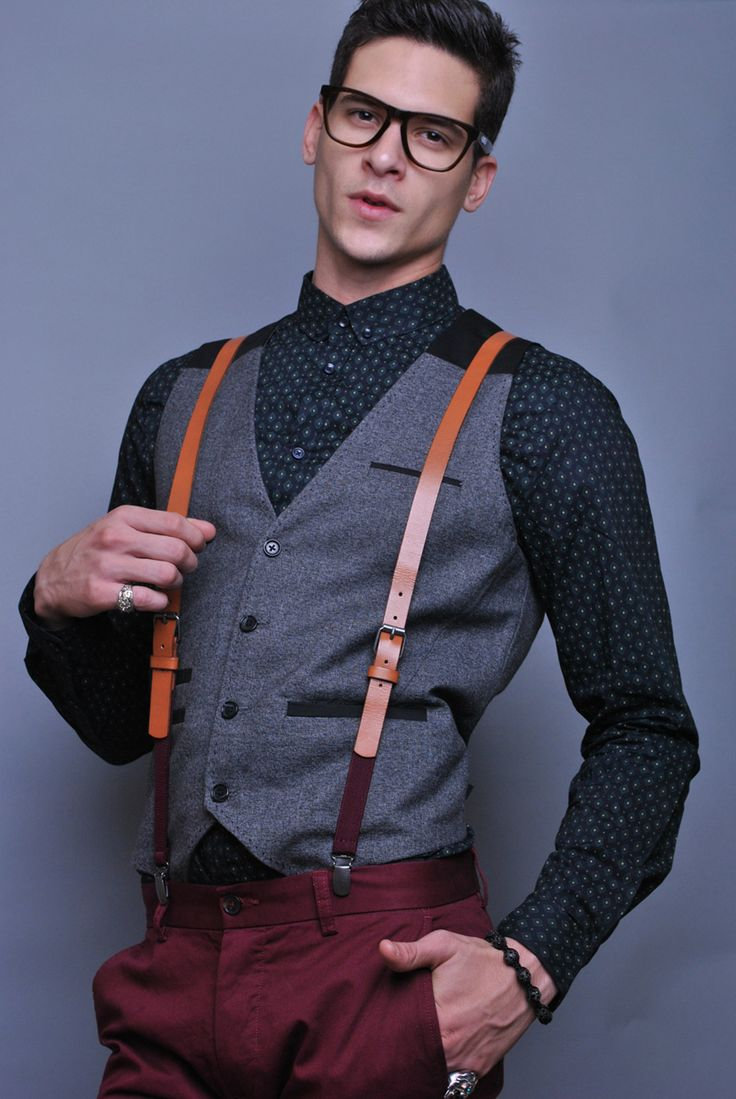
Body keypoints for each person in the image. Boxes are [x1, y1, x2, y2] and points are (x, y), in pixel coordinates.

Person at [19, 2, 699, 1097]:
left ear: (476, 178)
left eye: (432, 134)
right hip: (172, 967)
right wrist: (50, 601)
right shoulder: (179, 397)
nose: (386, 155)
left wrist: (531, 964)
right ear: (315, 127)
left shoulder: (546, 410)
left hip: (386, 974)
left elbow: (649, 726)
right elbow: (117, 727)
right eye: (363, 114)